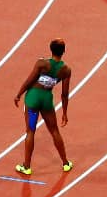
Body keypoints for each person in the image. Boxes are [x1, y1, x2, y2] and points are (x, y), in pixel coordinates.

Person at [13, 39, 73, 175]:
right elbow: (64, 94)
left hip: (33, 99)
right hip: (46, 101)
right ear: (64, 51)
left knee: (30, 131)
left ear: (50, 50)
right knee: (54, 131)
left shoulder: (42, 63)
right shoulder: (66, 70)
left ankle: (26, 167)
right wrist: (64, 113)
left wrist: (19, 94)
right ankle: (65, 163)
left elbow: (30, 80)